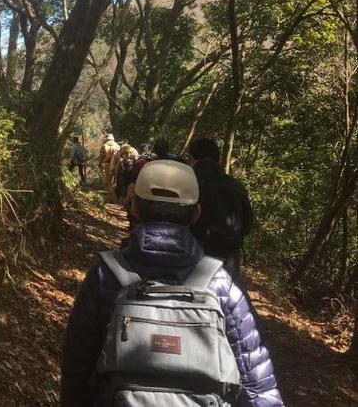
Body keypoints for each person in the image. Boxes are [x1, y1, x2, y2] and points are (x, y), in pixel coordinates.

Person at [60, 160, 283, 407]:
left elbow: (76, 368)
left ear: (134, 209)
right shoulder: (220, 283)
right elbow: (257, 382)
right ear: (196, 215)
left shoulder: (106, 274)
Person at [189, 137, 253, 280]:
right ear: (218, 160)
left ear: (192, 158)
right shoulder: (237, 186)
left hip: (191, 259)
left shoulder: (187, 181)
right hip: (227, 263)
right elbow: (247, 225)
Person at [98, 134, 120, 202]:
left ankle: (112, 199)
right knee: (116, 181)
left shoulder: (104, 146)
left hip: (108, 165)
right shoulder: (117, 145)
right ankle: (117, 198)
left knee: (109, 182)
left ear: (106, 139)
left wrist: (100, 164)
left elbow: (101, 157)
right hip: (117, 165)